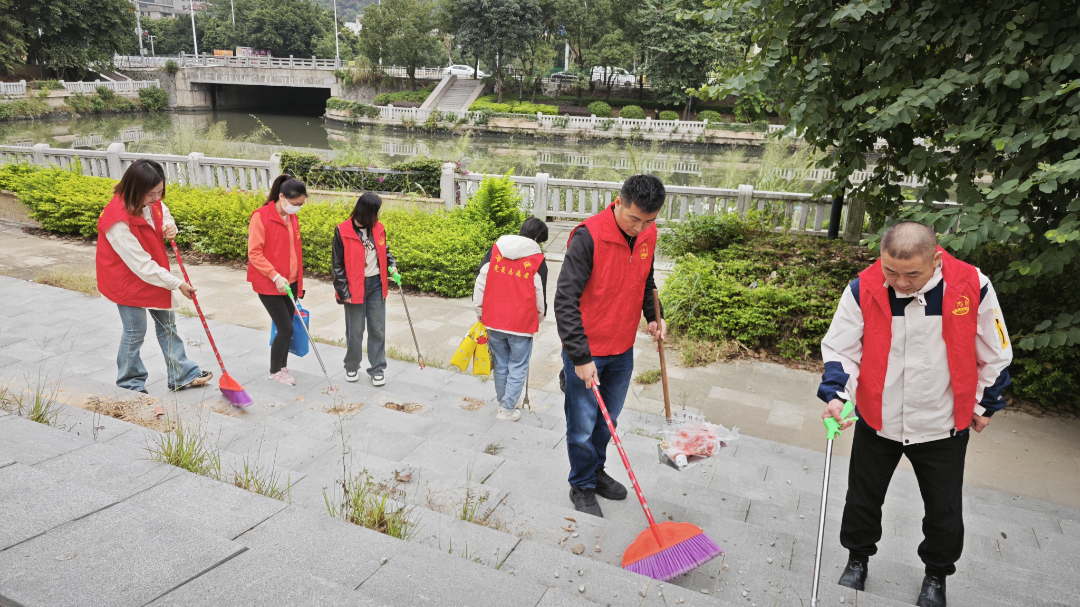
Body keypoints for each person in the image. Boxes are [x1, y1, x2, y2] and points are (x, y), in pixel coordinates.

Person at [817, 221, 1013, 607]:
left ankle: (936, 576)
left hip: (941, 422)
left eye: (912, 274)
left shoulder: (973, 286)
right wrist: (837, 395)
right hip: (880, 415)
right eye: (891, 271)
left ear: (936, 260)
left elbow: (996, 348)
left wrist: (985, 404)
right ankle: (857, 558)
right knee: (862, 498)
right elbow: (840, 347)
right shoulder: (864, 287)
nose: (900, 284)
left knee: (944, 510)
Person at [555, 174, 667, 517]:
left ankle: (596, 470)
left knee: (608, 421)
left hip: (622, 348)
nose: (640, 227)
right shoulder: (589, 237)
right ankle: (582, 484)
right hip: (589, 350)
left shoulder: (648, 233)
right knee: (583, 423)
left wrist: (652, 315)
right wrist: (580, 356)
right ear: (618, 202)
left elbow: (646, 278)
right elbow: (564, 300)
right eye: (634, 218)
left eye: (649, 220)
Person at [96, 159, 212, 394]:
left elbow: (163, 212)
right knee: (135, 330)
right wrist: (177, 283)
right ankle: (130, 383)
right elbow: (140, 265)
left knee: (167, 324)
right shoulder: (116, 220)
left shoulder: (152, 202)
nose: (157, 198)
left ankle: (181, 373)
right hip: (126, 278)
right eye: (151, 194)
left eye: (160, 191)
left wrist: (169, 224)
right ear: (134, 189)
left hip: (154, 270)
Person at [473, 217, 550, 422]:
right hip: (522, 323)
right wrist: (538, 319)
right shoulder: (538, 260)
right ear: (537, 238)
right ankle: (507, 409)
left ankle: (503, 403)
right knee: (517, 364)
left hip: (494, 318)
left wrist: (479, 309)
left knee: (501, 362)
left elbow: (481, 281)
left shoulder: (495, 251)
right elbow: (539, 296)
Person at [331, 192, 399, 386]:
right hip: (354, 288)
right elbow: (337, 266)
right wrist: (343, 292)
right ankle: (351, 366)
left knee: (377, 329)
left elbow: (385, 251)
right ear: (366, 211)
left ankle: (377, 369)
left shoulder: (378, 229)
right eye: (375, 212)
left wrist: (392, 264)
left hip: (376, 284)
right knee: (355, 330)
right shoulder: (342, 231)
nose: (378, 216)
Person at [248, 174, 308, 386]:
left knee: (287, 326)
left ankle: (282, 367)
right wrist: (275, 276)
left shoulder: (292, 217)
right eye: (294, 203)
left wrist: (297, 282)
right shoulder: (261, 216)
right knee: (286, 329)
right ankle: (274, 371)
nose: (297, 208)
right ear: (282, 197)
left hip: (289, 281)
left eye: (301, 204)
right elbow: (254, 253)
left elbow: (294, 250)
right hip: (270, 282)